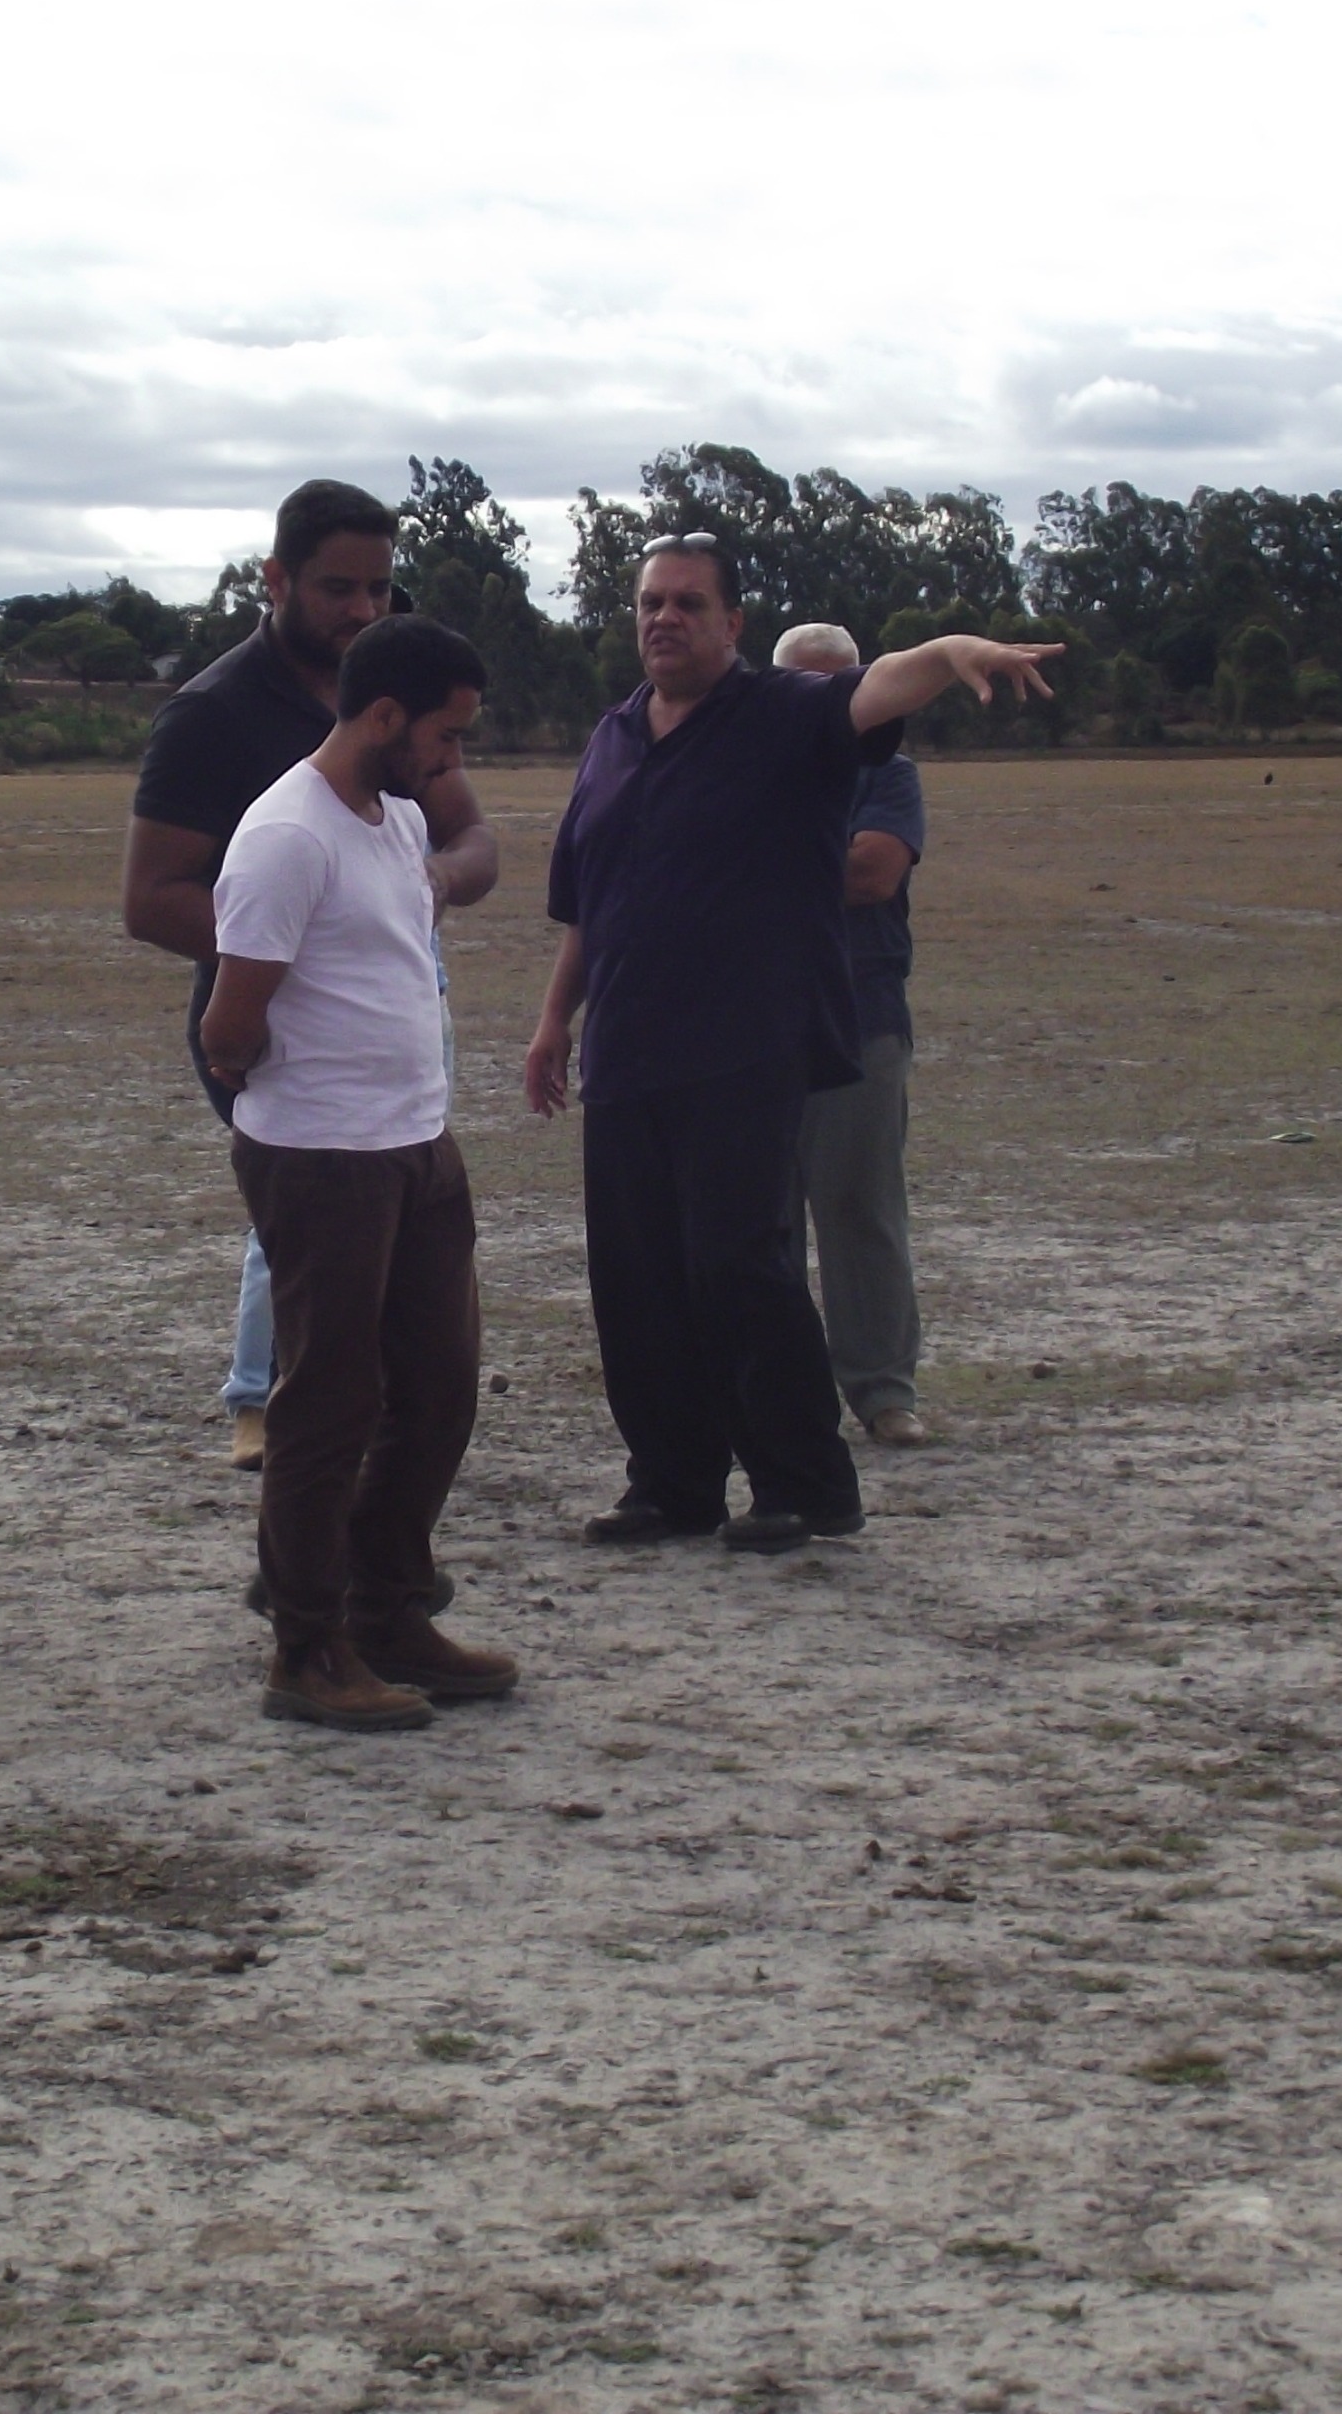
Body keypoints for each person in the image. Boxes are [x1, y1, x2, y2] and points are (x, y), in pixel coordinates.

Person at [524, 538, 1053, 1551]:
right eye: (650, 602)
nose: (664, 619)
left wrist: (951, 652)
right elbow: (588, 900)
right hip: (626, 1049)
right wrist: (556, 1020)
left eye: (688, 604)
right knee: (637, 1280)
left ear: (731, 624)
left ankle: (803, 1483)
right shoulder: (614, 736)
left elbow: (877, 689)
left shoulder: (781, 713)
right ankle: (672, 1484)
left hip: (744, 1047)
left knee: (739, 1268)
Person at [124, 480, 497, 1471]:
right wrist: (296, 947)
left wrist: (427, 883)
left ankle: (373, 1452)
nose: (363, 610)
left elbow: (472, 839)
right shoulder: (211, 714)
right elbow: (151, 898)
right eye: (338, 588)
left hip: (403, 1000)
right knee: (311, 1207)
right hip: (268, 1008)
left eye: (380, 588)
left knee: (396, 1228)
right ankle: (273, 1409)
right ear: (276, 579)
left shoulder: (402, 687)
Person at [199, 616, 513, 1731]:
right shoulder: (286, 836)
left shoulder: (396, 819)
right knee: (329, 1405)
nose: (452, 759)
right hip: (322, 1162)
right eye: (444, 735)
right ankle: (307, 1647)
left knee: (437, 1390)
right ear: (383, 717)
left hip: (416, 1148)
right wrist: (288, 1092)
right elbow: (228, 1025)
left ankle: (387, 1610)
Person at [771, 623, 929, 1448]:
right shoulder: (742, 768)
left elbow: (872, 872)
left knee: (860, 1209)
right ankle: (778, 1398)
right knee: (760, 1225)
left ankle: (882, 1390)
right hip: (753, 1025)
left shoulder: (888, 774)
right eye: (806, 688)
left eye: (842, 685)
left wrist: (750, 863)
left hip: (861, 1018)